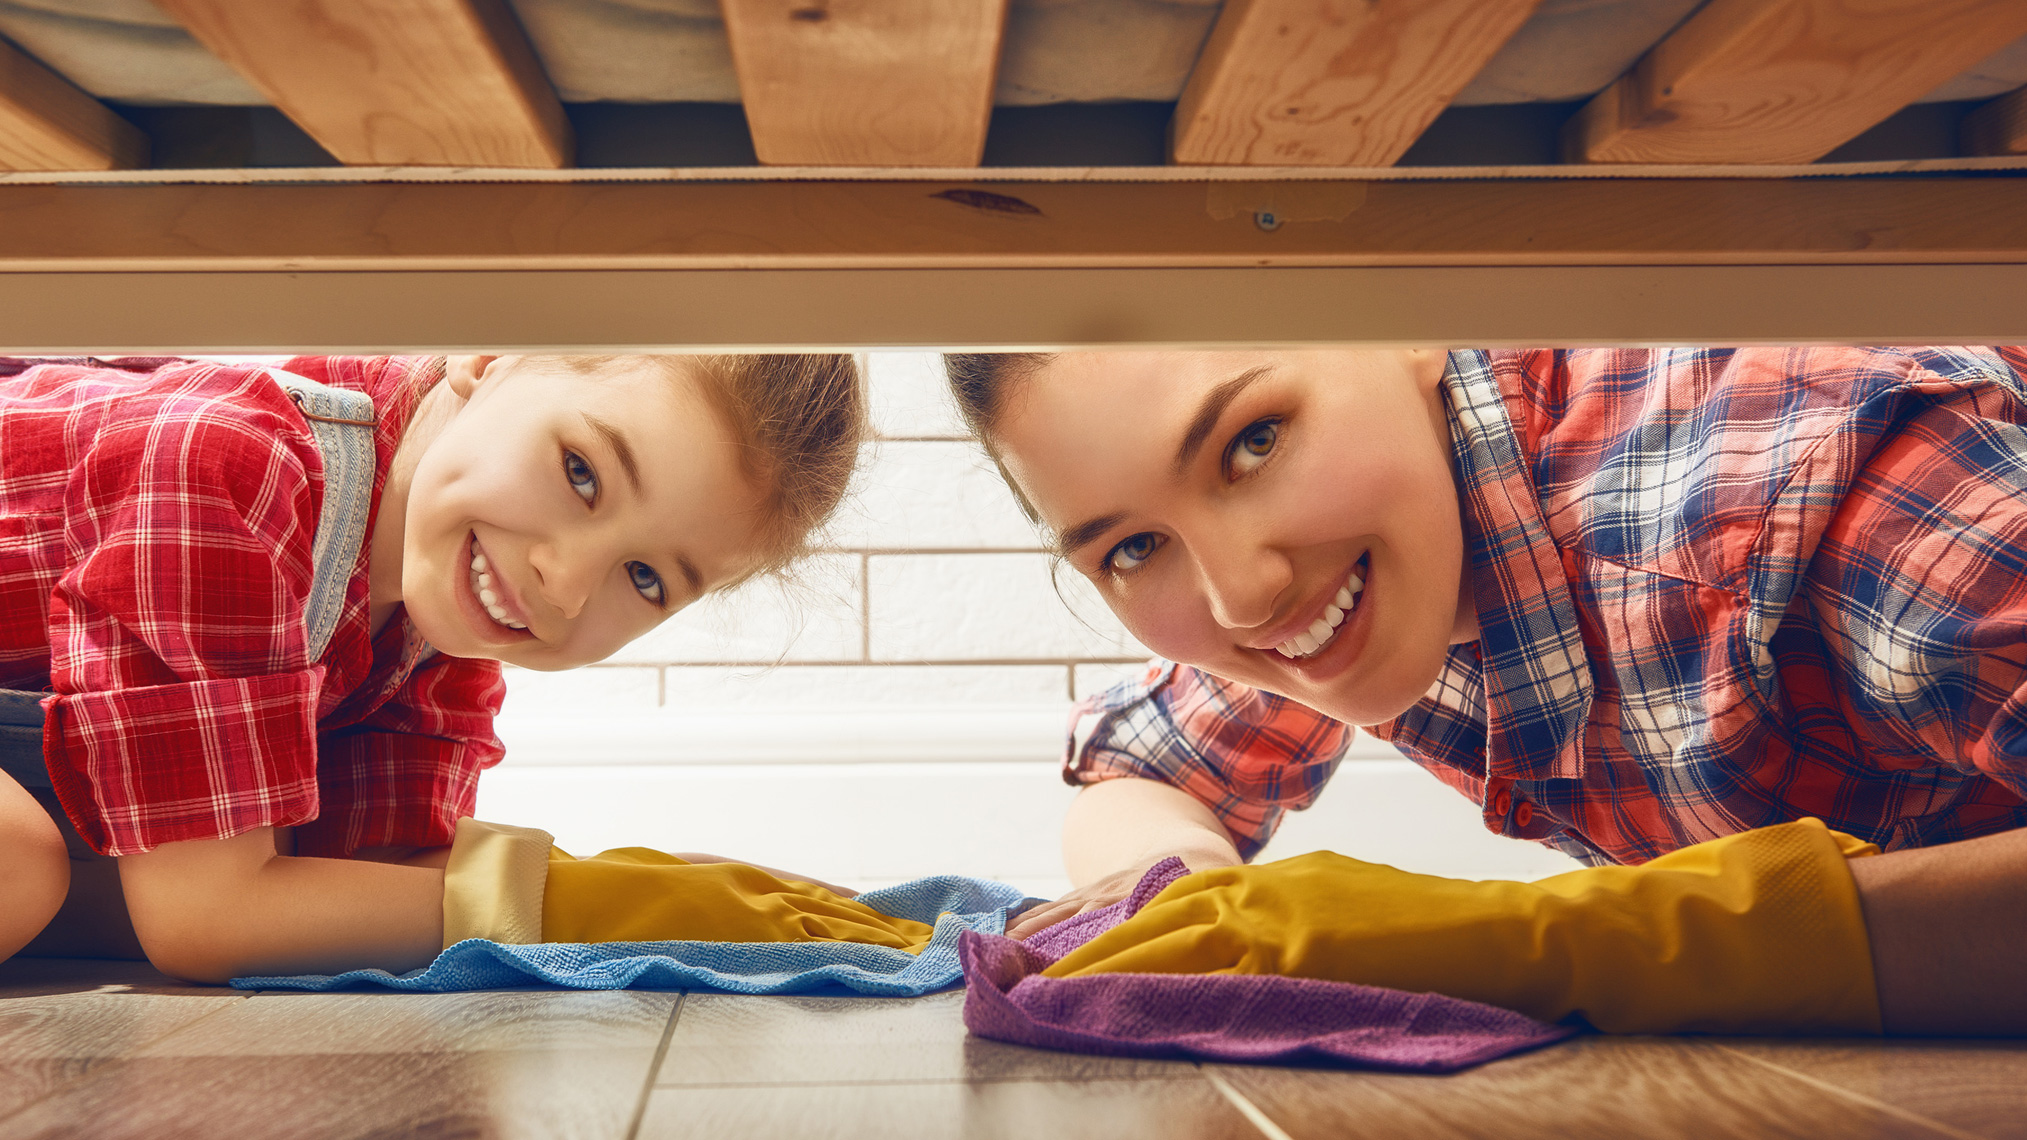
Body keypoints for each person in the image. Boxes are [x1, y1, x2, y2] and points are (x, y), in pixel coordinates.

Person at [948, 347, 2027, 1035]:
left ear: (1418, 317)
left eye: (1255, 441)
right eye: (1133, 547)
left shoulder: (1804, 492)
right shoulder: (1358, 561)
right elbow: (1143, 773)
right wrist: (1193, 909)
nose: (1238, 596)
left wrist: (1554, 940)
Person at [0, 352, 863, 982]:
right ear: (489, 355)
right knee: (25, 866)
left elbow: (362, 885)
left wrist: (697, 889)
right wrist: (602, 909)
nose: (563, 586)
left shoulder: (428, 633)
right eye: (581, 473)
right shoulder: (226, 464)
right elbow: (209, 919)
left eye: (645, 579)